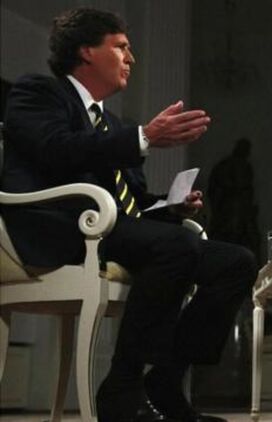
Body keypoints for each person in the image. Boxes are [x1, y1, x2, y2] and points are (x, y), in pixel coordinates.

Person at [1, 8, 257, 422]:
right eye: (121, 47)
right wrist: (144, 138)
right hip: (64, 227)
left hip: (113, 229)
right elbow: (54, 149)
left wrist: (170, 206)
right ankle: (122, 387)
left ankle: (165, 381)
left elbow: (131, 203)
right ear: (86, 51)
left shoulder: (113, 124)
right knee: (177, 246)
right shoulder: (39, 92)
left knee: (236, 262)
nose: (131, 58)